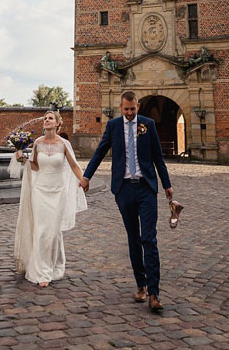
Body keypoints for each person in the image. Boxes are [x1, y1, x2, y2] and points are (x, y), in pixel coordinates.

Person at [80, 91, 174, 311]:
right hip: (124, 190)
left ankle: (154, 293)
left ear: (138, 107)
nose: (130, 113)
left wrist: (167, 184)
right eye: (126, 109)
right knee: (134, 238)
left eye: (133, 109)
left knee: (149, 239)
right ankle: (140, 286)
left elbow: (158, 157)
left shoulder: (148, 125)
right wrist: (86, 177)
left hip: (146, 188)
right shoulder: (113, 126)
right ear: (120, 108)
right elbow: (100, 152)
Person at [10, 110, 87, 288]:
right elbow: (36, 165)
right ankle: (43, 271)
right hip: (40, 191)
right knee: (42, 230)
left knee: (53, 231)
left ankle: (56, 265)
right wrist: (24, 160)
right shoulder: (37, 143)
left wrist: (83, 179)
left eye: (50, 118)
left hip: (58, 192)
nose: (46, 120)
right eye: (45, 118)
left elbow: (74, 166)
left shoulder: (64, 144)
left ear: (58, 123)